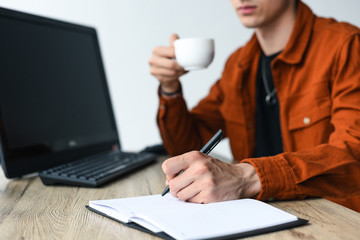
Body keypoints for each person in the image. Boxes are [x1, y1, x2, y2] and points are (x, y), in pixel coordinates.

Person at [149, 0, 360, 212]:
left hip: (333, 221)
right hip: (258, 219)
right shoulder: (238, 64)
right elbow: (187, 147)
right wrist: (170, 88)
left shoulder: (346, 46)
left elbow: (354, 153)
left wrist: (247, 176)